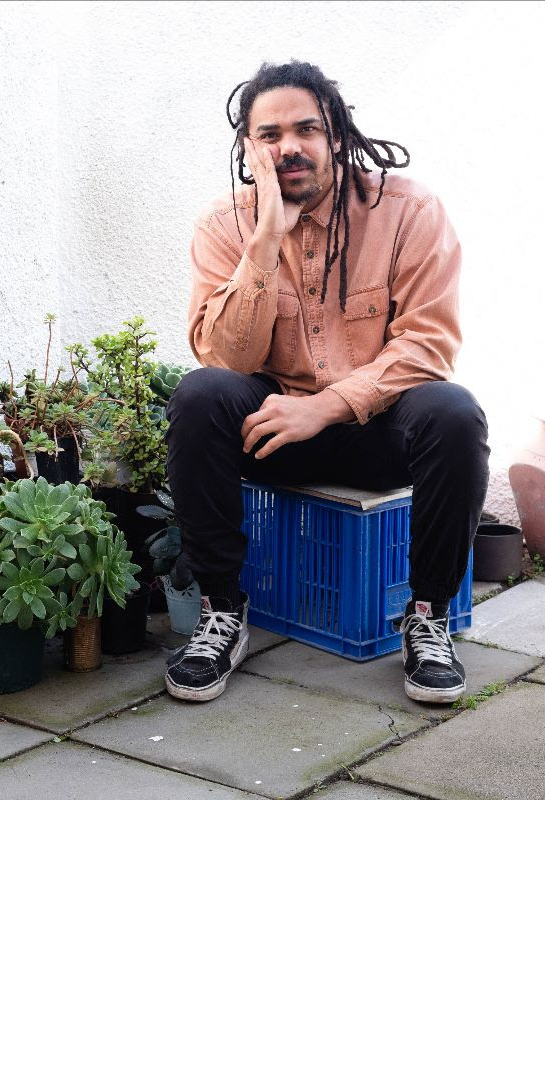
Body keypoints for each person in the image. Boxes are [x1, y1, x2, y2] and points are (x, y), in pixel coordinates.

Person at [166, 59, 487, 706]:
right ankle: (222, 612)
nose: (289, 146)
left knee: (454, 414)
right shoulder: (224, 226)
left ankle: (427, 616)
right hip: (274, 434)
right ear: (249, 148)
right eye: (269, 134)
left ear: (336, 134)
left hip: (378, 430)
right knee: (200, 396)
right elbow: (225, 358)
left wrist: (329, 406)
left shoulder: (407, 210)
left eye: (306, 128)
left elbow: (429, 345)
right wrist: (263, 240)